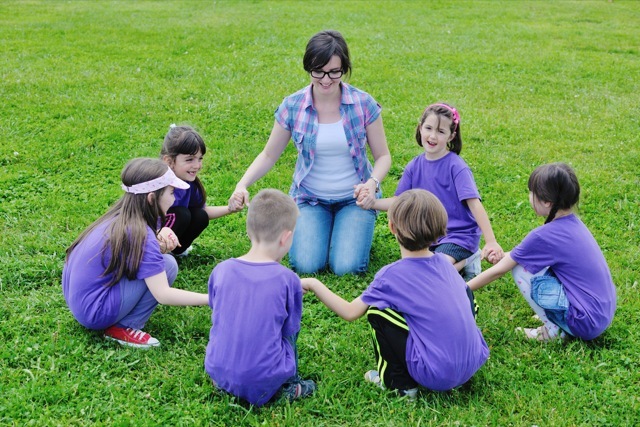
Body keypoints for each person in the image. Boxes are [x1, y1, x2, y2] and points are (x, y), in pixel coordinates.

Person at [228, 29, 391, 276]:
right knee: (306, 264)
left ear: (344, 69)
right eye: (318, 72)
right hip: (310, 199)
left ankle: (350, 229)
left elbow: (383, 157)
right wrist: (242, 184)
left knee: (346, 268)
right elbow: (269, 155)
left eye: (334, 72)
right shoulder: (293, 106)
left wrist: (372, 183)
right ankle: (329, 230)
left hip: (355, 200)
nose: (326, 80)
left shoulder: (363, 103)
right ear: (308, 68)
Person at [302, 190, 489, 398]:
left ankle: (399, 383)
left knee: (377, 313)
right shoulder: (446, 263)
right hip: (474, 361)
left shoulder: (390, 276)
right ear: (440, 231)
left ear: (392, 228)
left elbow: (350, 312)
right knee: (464, 293)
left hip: (437, 375)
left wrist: (314, 284)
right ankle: (457, 357)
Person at [62, 158, 210, 349]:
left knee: (164, 261)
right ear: (151, 198)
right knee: (168, 265)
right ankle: (124, 327)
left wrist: (158, 240)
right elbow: (163, 294)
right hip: (95, 312)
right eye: (171, 192)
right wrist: (211, 299)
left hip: (80, 301)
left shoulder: (124, 215)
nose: (174, 199)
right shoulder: (141, 233)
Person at [468, 163, 616, 342]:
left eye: (531, 192)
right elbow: (520, 254)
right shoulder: (574, 224)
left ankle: (553, 331)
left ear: (547, 202)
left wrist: (462, 289)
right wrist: (504, 257)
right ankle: (558, 315)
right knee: (522, 261)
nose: (529, 196)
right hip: (601, 316)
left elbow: (500, 270)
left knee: (519, 268)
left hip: (584, 322)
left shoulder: (543, 236)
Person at [365, 103, 503, 281]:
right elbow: (399, 200)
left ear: (451, 136)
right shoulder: (414, 166)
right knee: (419, 269)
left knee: (435, 270)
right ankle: (458, 264)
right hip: (427, 236)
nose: (432, 136)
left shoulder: (456, 166)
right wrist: (372, 203)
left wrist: (491, 241)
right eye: (428, 128)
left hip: (458, 237)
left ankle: (468, 258)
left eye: (440, 131)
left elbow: (475, 205)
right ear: (420, 127)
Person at [205, 189, 315, 407]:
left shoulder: (221, 269)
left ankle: (227, 383)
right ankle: (289, 387)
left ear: (248, 231)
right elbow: (290, 329)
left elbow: (215, 307)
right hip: (263, 378)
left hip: (217, 371)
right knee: (288, 335)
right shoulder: (288, 279)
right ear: (286, 237)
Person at [161, 124, 240, 256]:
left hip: (169, 234)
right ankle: (158, 251)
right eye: (189, 159)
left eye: (200, 159)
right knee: (182, 214)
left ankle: (176, 251)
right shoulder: (157, 185)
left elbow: (204, 211)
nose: (197, 165)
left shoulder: (190, 184)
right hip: (150, 235)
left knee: (200, 216)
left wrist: (230, 209)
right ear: (169, 161)